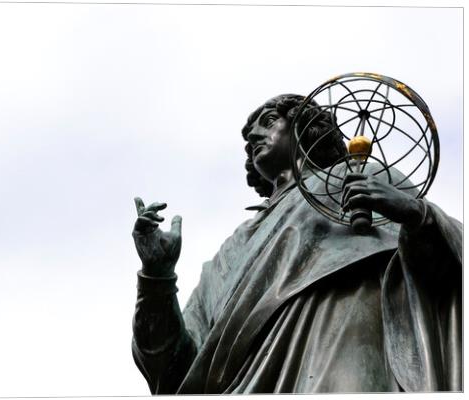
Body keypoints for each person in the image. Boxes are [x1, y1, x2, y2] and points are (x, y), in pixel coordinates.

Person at [131, 94, 462, 394]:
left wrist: (417, 216)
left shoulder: (361, 176)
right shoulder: (231, 251)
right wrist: (156, 278)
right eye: (248, 138)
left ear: (305, 127)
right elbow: (174, 370)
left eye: (269, 121)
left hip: (340, 338)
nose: (254, 137)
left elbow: (447, 269)